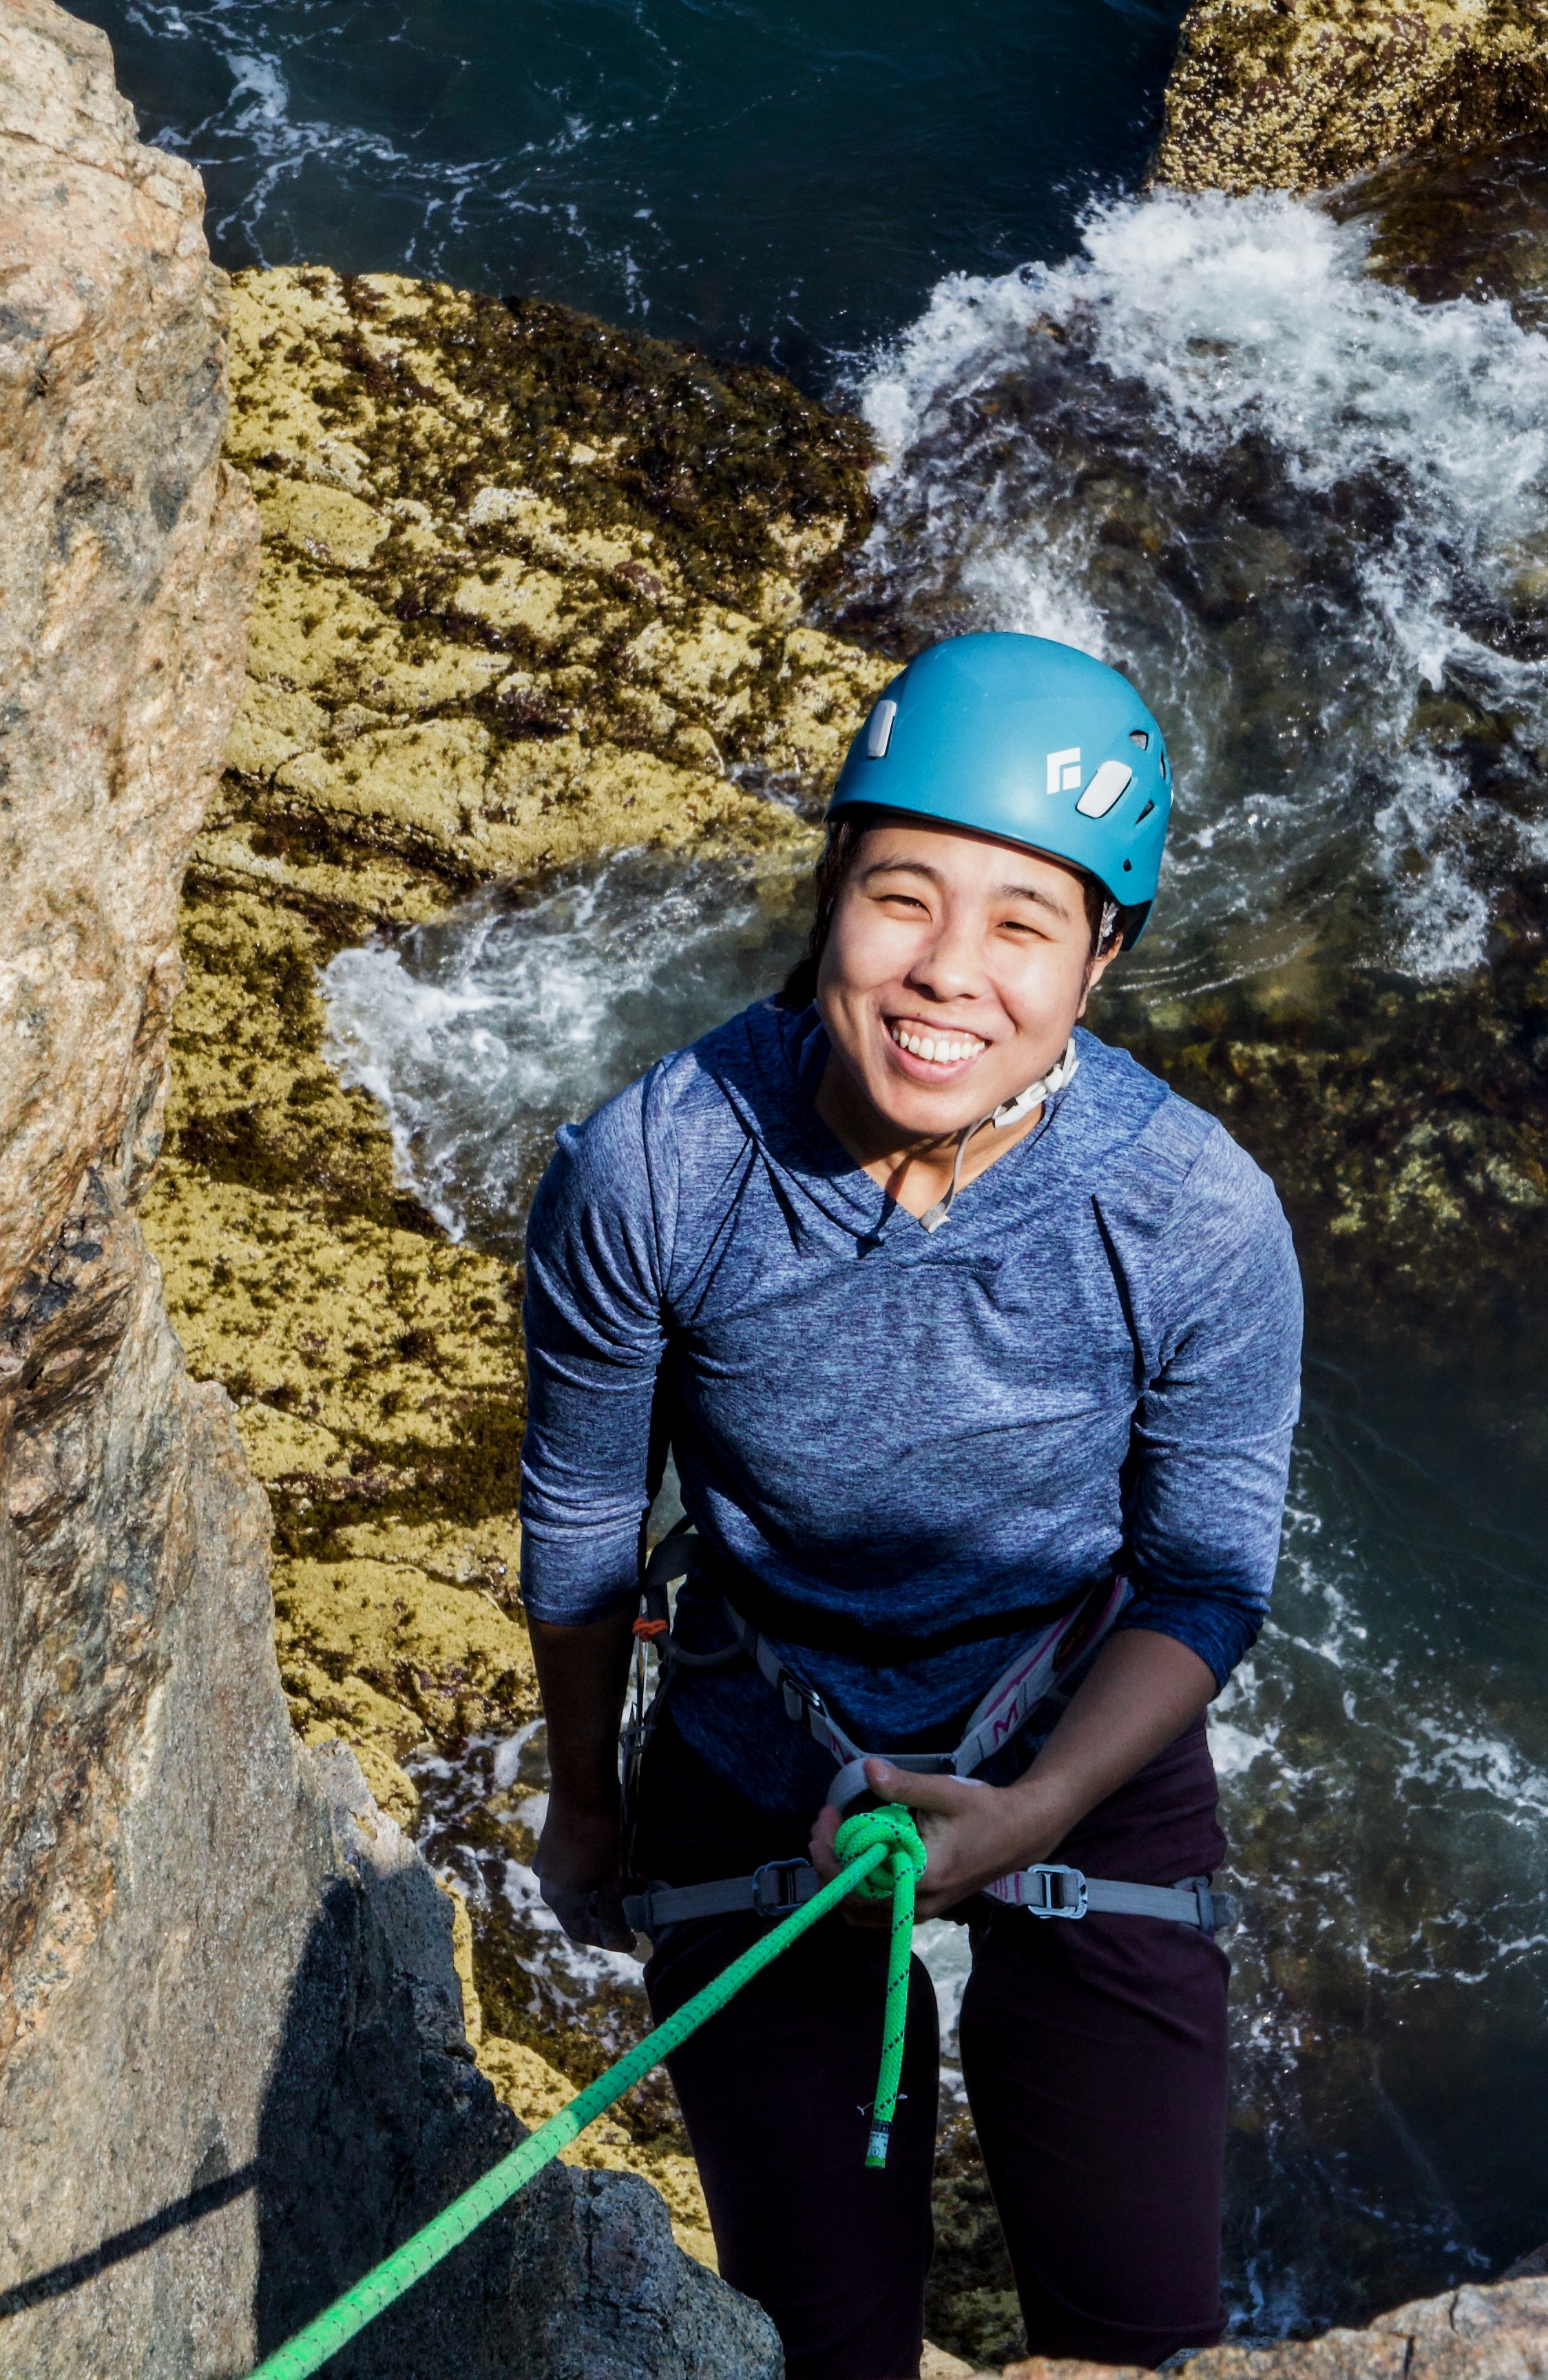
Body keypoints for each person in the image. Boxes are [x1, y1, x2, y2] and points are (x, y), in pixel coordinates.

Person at [515, 631, 1305, 2380]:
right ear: (829, 904)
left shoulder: (1192, 1215)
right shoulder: (653, 1168)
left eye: (1025, 922)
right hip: (755, 1753)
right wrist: (588, 1813)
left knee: (1143, 2348)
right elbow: (580, 1533)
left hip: (1079, 1740)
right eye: (901, 899)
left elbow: (1200, 1580)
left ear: (1102, 958)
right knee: (831, 2355)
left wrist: (1035, 1815)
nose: (949, 973)